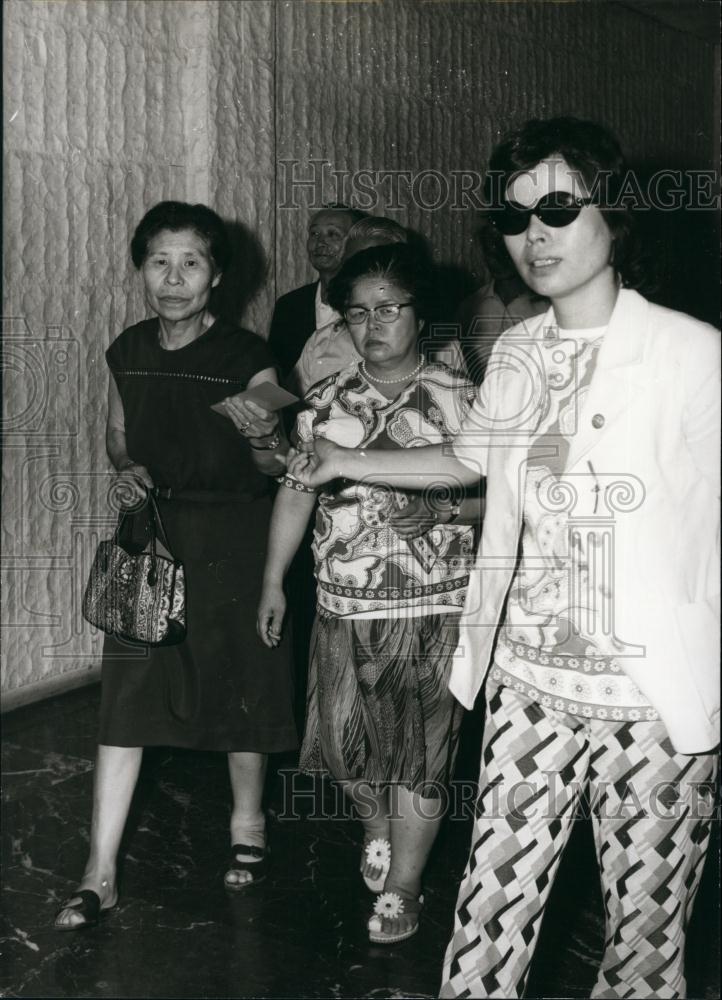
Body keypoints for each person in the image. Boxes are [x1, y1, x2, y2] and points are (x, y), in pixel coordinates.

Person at [288, 118, 720, 996]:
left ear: (615, 215)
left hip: (653, 696)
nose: (536, 236)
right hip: (527, 684)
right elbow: (467, 459)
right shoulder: (519, 351)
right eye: (516, 218)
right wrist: (345, 460)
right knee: (489, 915)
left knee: (642, 937)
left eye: (558, 208)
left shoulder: (692, 355)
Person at [54, 201, 297, 930]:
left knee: (241, 685)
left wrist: (265, 433)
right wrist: (126, 470)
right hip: (150, 538)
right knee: (124, 700)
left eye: (192, 262)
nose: (174, 277)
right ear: (140, 268)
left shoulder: (247, 357)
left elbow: (276, 464)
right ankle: (99, 872)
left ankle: (247, 827)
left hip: (235, 537)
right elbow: (119, 435)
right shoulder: (127, 347)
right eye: (159, 260)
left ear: (217, 276)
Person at [259, 243, 481, 944]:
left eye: (389, 308)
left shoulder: (463, 398)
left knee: (421, 759)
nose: (373, 324)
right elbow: (296, 495)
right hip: (343, 607)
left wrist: (448, 513)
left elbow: (509, 499)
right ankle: (375, 825)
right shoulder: (322, 405)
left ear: (420, 314)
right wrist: (273, 582)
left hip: (434, 606)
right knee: (346, 753)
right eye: (358, 313)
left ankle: (405, 886)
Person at [293, 215, 408, 393]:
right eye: (353, 265)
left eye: (375, 264)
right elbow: (287, 405)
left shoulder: (437, 345)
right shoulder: (322, 342)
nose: (362, 276)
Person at [268, 204, 365, 382]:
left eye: (333, 234)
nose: (320, 243)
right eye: (314, 234)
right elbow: (276, 375)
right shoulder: (289, 306)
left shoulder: (369, 306)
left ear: (357, 244)